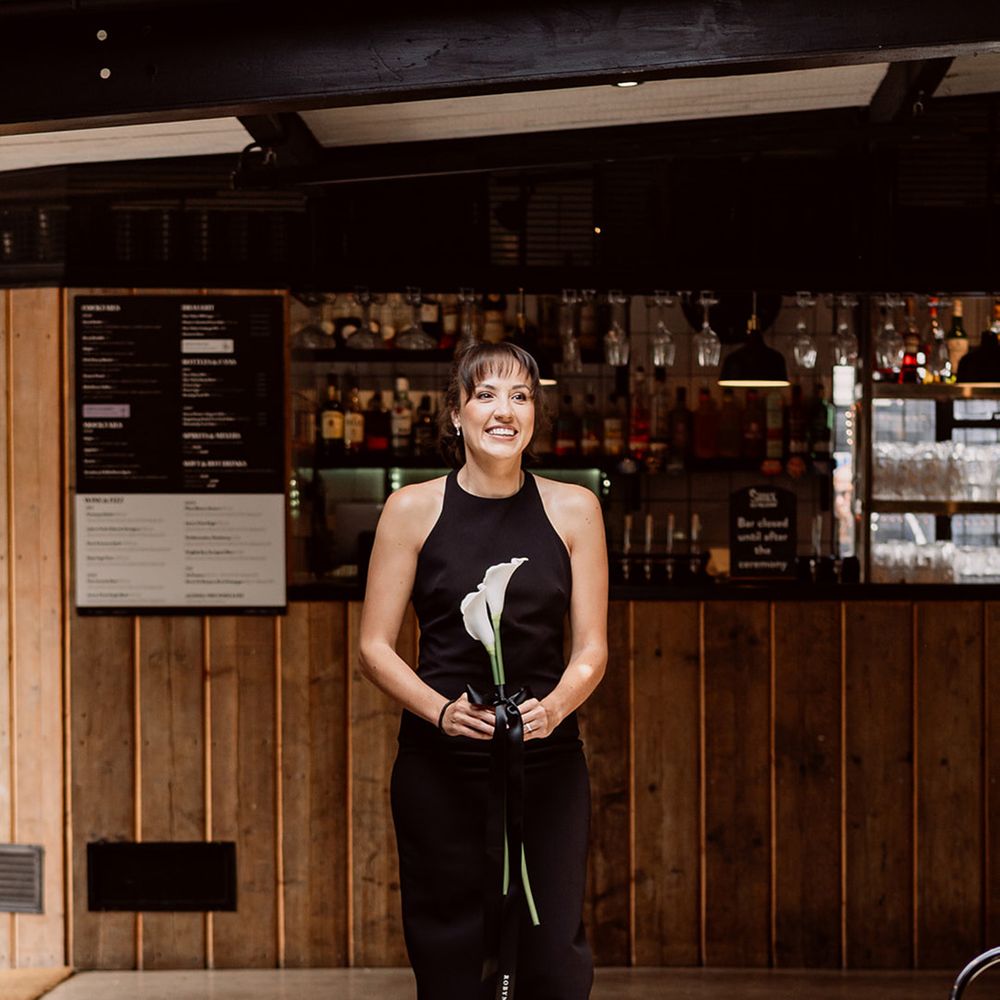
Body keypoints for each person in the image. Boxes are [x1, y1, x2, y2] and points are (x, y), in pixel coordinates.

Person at [359, 340, 608, 1000]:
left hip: (546, 762)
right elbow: (374, 647)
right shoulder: (411, 509)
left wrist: (555, 707)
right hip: (441, 763)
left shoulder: (575, 509)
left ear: (535, 415)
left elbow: (591, 648)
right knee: (450, 954)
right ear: (455, 413)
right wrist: (441, 712)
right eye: (486, 394)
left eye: (521, 396)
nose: (505, 410)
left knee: (553, 957)